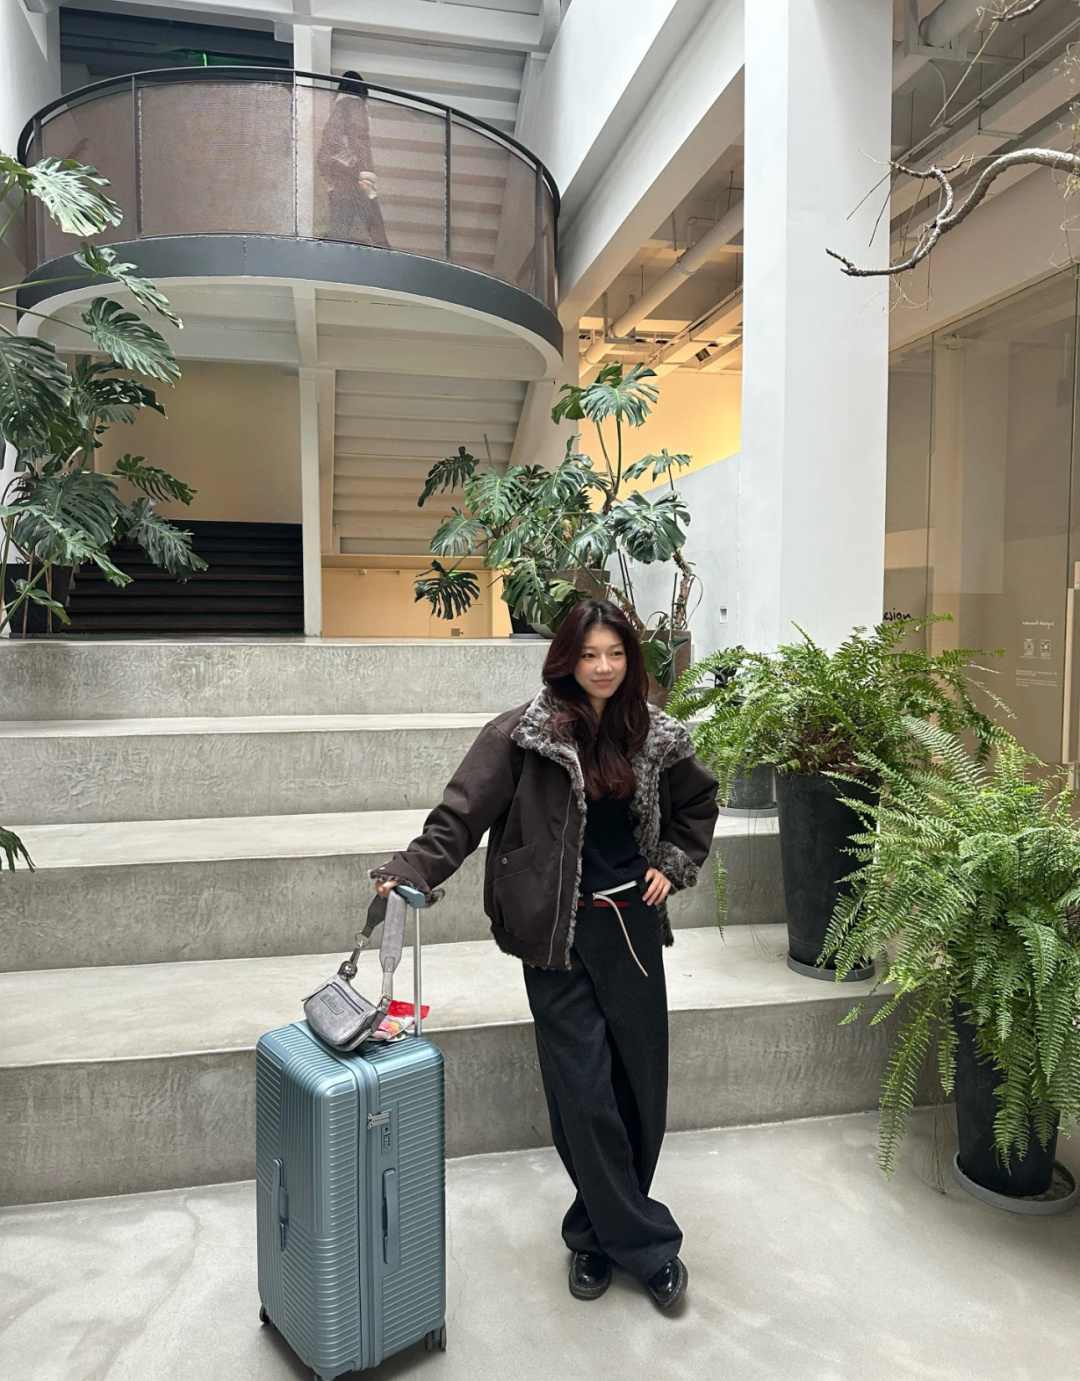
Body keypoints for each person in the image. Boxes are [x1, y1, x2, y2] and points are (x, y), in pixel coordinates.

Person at [372, 599, 719, 1310]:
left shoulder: (657, 734)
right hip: (554, 934)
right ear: (566, 659)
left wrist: (673, 862)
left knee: (638, 1092)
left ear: (631, 659)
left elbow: (697, 806)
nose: (603, 666)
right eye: (589, 654)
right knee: (583, 1096)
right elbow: (459, 817)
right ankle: (649, 1247)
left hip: (630, 929)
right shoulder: (521, 735)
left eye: (615, 653)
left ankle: (592, 1235)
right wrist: (412, 869)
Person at [316, 70, 390, 247]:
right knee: (369, 212)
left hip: (338, 168)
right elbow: (359, 137)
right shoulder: (354, 103)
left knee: (344, 214)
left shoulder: (339, 106)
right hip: (349, 169)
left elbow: (331, 143)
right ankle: (383, 249)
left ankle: (336, 242)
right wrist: (367, 173)